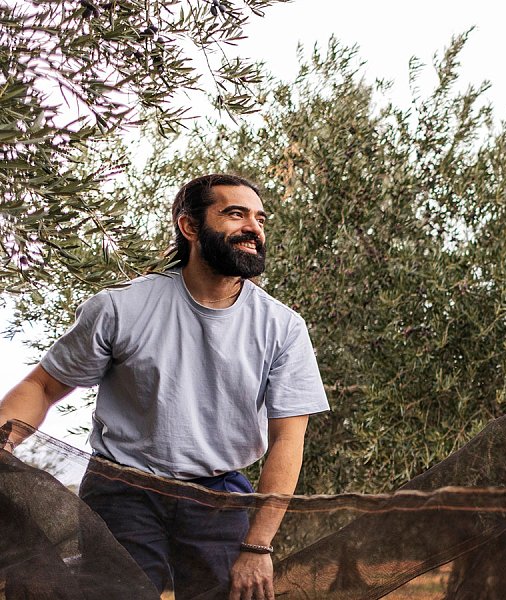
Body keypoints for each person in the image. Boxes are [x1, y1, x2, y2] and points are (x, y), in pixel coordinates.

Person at [0, 174, 329, 600]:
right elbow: (42, 387)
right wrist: (3, 440)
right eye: (235, 214)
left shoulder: (282, 327)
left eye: (259, 219)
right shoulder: (122, 307)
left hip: (220, 498)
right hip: (122, 492)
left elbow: (287, 439)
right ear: (189, 226)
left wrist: (258, 544)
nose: (254, 228)